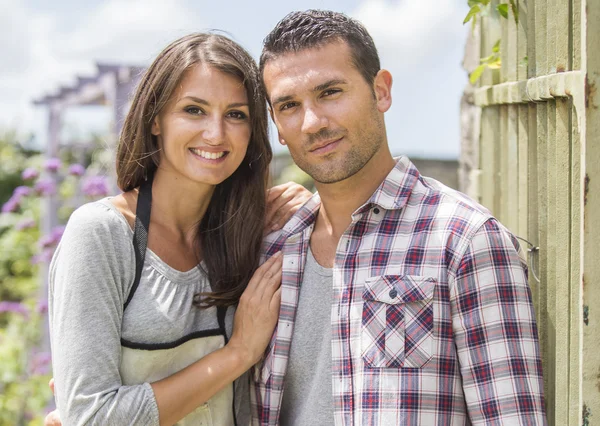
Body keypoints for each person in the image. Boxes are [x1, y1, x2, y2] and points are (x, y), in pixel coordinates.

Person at [251, 10, 547, 425]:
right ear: (277, 126)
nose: (313, 122)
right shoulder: (273, 249)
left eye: (331, 92)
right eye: (288, 105)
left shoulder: (465, 240)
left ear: (381, 91)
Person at [47, 32, 311, 426]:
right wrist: (237, 352)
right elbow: (91, 417)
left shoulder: (245, 237)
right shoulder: (102, 234)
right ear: (155, 119)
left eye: (236, 115)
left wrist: (310, 211)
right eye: (194, 110)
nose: (216, 134)